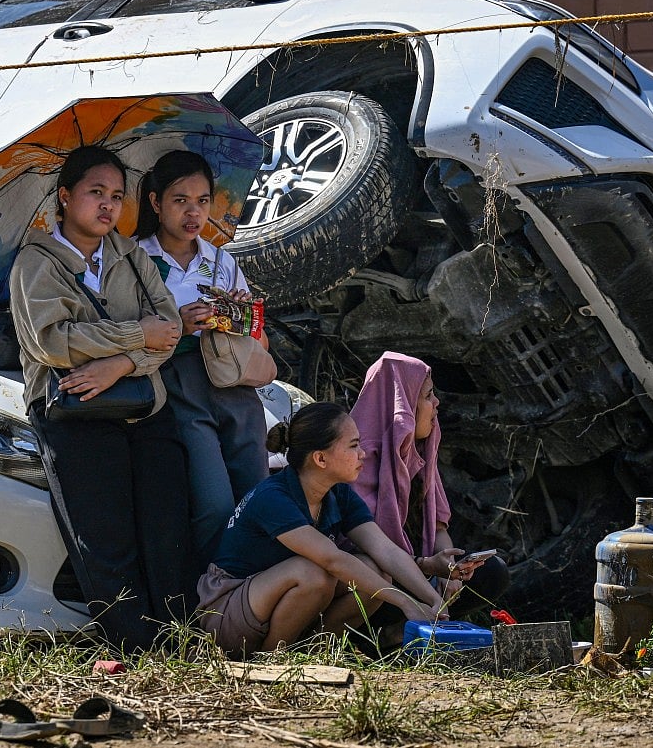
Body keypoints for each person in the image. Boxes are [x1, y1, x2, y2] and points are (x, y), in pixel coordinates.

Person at [8, 145, 191, 651]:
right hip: (74, 412)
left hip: (145, 408)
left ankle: (176, 642)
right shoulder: (36, 262)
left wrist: (122, 364)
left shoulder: (132, 256)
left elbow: (171, 329)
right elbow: (52, 342)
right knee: (104, 536)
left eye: (116, 196)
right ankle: (132, 647)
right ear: (65, 197)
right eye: (95, 193)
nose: (108, 205)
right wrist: (136, 337)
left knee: (165, 527)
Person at [196, 402, 451, 657]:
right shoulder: (274, 497)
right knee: (313, 574)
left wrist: (434, 601)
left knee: (376, 572)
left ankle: (314, 652)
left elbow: (385, 550)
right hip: (227, 613)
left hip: (273, 603)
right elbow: (333, 559)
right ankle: (271, 659)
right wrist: (407, 603)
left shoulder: (337, 494)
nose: (362, 454)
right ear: (320, 458)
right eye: (353, 445)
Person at [135, 150, 269, 567]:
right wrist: (180, 323)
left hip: (235, 385)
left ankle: (260, 597)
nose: (194, 213)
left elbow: (260, 338)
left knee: (257, 494)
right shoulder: (134, 260)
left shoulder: (221, 261)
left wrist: (238, 316)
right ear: (155, 203)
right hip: (179, 384)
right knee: (213, 503)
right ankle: (214, 603)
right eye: (180, 201)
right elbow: (124, 329)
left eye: (203, 201)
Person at [350, 351, 509, 621]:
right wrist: (429, 570)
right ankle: (384, 635)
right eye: (426, 396)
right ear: (401, 407)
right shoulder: (357, 460)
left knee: (494, 572)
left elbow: (437, 527)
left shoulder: (419, 452)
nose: (436, 403)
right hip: (380, 576)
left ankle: (418, 626)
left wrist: (449, 568)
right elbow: (372, 549)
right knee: (377, 573)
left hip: (422, 571)